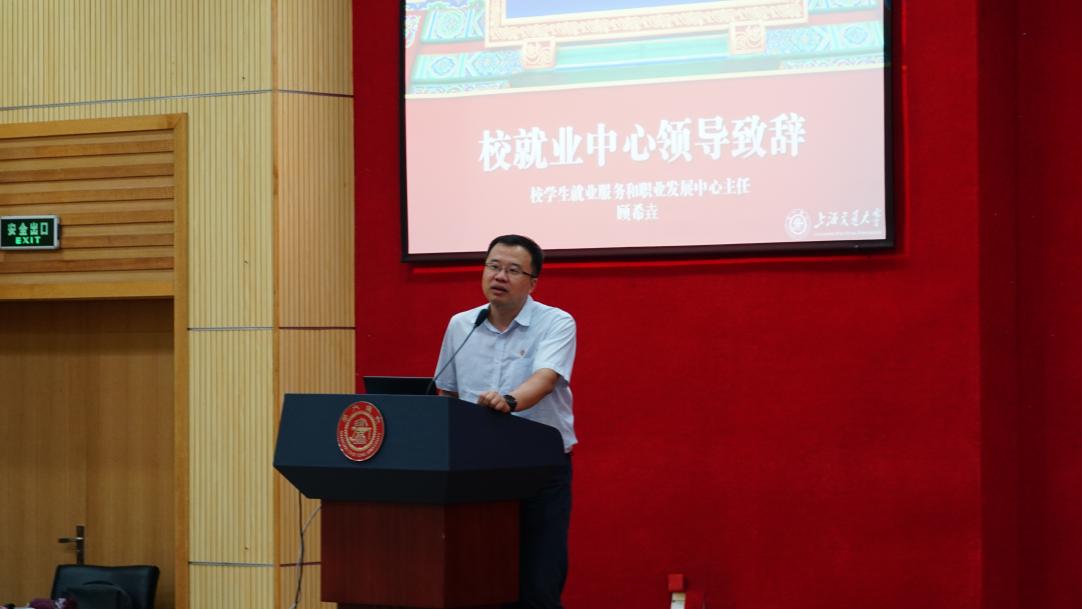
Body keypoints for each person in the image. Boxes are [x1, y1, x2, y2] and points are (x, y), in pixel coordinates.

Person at [434, 234, 576, 609]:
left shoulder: (556, 322)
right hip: (477, 469)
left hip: (539, 468)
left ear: (532, 282)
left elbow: (546, 379)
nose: (500, 276)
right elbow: (447, 394)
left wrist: (509, 401)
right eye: (493, 266)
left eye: (513, 270)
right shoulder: (461, 325)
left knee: (539, 583)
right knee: (482, 580)